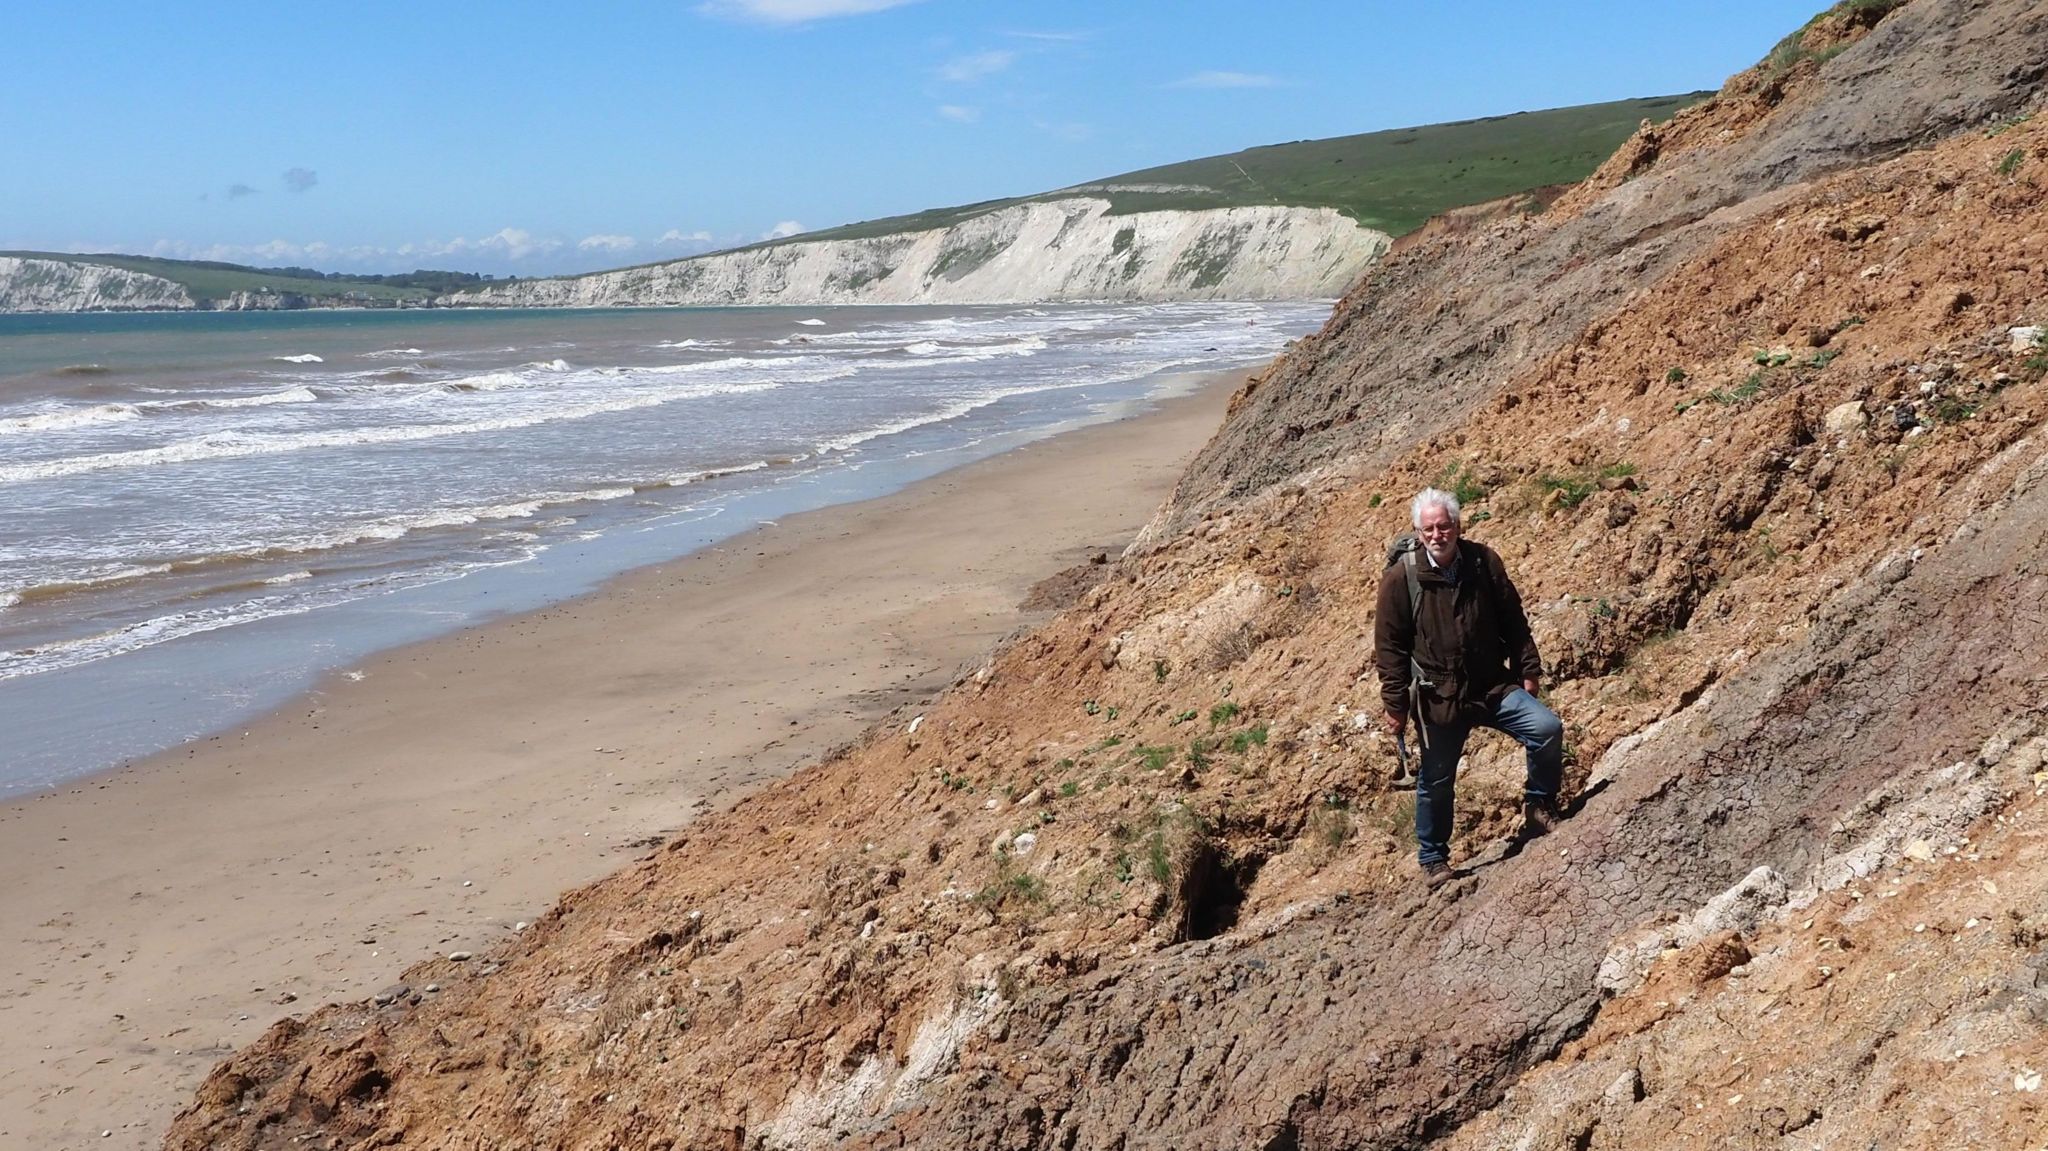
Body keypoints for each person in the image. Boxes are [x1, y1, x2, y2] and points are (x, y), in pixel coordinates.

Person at [1374, 487, 1564, 888]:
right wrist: (1396, 704)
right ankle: (1433, 859)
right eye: (1429, 528)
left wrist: (1527, 668)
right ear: (1417, 531)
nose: (1437, 534)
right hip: (1438, 696)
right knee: (1436, 779)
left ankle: (1539, 804)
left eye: (1444, 526)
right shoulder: (1401, 579)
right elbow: (1389, 649)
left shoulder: (1482, 562)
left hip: (1492, 685)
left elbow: (1514, 619)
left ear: (1458, 526)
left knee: (1546, 729)